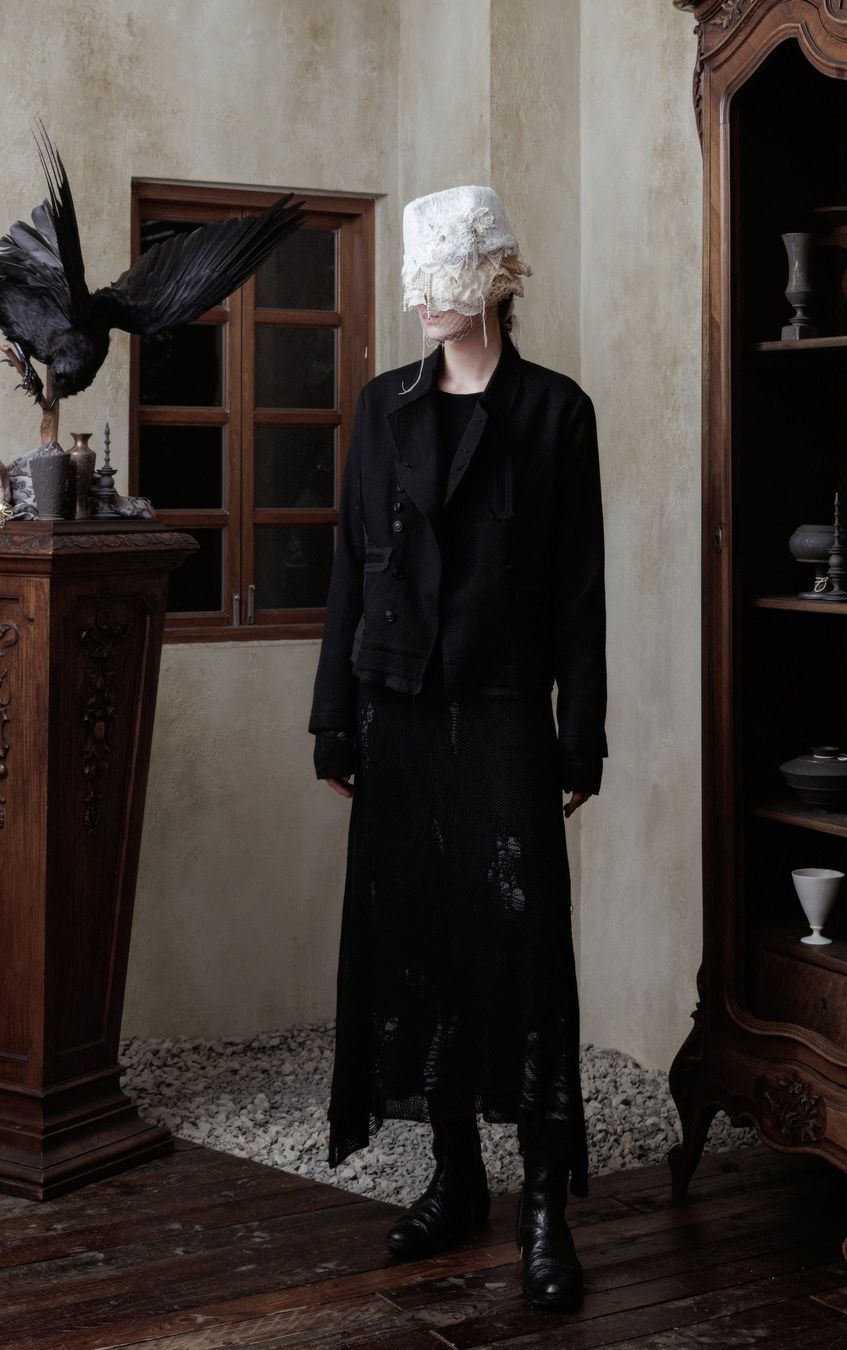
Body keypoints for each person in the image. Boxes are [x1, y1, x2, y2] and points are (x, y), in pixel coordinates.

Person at [308, 185, 608, 1313]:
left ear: (492, 284)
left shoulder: (556, 413)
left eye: (444, 282)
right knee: (417, 941)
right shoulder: (382, 408)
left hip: (501, 710)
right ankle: (455, 1177)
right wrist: (333, 718)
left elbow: (579, 592)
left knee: (521, 951)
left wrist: (580, 737)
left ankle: (544, 1206)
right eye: (418, 284)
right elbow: (350, 569)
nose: (425, 304)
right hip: (395, 710)